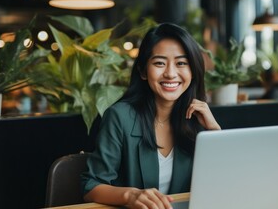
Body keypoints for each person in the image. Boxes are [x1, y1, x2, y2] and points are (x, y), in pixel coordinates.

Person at [81, 23, 221, 209]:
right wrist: (130, 195)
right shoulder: (120, 117)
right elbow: (90, 186)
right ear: (143, 71)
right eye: (159, 63)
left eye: (181, 63)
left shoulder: (198, 119)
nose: (171, 74)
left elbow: (222, 185)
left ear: (193, 71)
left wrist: (215, 133)